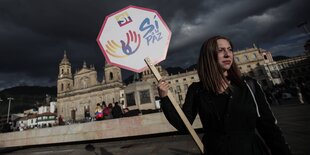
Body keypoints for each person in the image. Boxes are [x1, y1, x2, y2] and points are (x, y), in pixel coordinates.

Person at [158, 35, 292, 155]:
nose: (227, 54)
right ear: (208, 56)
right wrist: (165, 98)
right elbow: (183, 125)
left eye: (229, 49)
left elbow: (269, 127)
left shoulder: (248, 85)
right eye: (220, 50)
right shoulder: (197, 90)